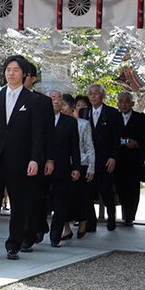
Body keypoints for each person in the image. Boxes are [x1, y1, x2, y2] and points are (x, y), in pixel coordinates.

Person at [0, 55, 45, 260]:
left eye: (16, 70)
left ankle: (14, 245)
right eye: (8, 70)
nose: (11, 73)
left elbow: (37, 133)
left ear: (24, 74)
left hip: (20, 159)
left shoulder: (33, 100)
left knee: (19, 204)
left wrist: (35, 159)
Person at [21, 64, 55, 251]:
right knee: (20, 198)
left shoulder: (42, 101)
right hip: (13, 156)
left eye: (25, 75)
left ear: (33, 78)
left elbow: (49, 132)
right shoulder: (4, 97)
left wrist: (49, 159)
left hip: (36, 157)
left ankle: (30, 233)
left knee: (33, 196)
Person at [47, 90, 81, 247]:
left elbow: (75, 147)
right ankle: (37, 230)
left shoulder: (70, 122)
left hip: (63, 168)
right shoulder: (39, 119)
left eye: (59, 98)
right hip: (42, 168)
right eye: (52, 98)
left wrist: (76, 167)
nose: (56, 101)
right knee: (40, 201)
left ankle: (55, 236)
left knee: (60, 204)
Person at [86, 83, 121, 231]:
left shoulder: (112, 113)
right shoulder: (84, 112)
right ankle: (90, 222)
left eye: (96, 93)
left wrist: (113, 157)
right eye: (90, 94)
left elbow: (116, 138)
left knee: (106, 189)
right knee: (88, 191)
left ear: (102, 96)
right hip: (88, 158)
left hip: (105, 157)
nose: (93, 96)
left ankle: (111, 216)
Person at [62, 94, 95, 240]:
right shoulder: (56, 122)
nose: (62, 108)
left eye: (65, 105)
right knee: (63, 198)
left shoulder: (83, 124)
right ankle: (66, 229)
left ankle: (82, 223)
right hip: (63, 164)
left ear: (72, 108)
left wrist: (91, 167)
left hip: (81, 163)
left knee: (80, 196)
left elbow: (89, 146)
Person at [115, 91, 145, 226]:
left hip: (135, 159)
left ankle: (130, 216)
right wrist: (123, 141)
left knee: (133, 188)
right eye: (121, 101)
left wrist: (137, 142)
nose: (124, 104)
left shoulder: (141, 118)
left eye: (127, 101)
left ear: (132, 103)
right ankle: (124, 213)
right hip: (118, 158)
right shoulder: (114, 118)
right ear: (118, 104)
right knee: (120, 186)